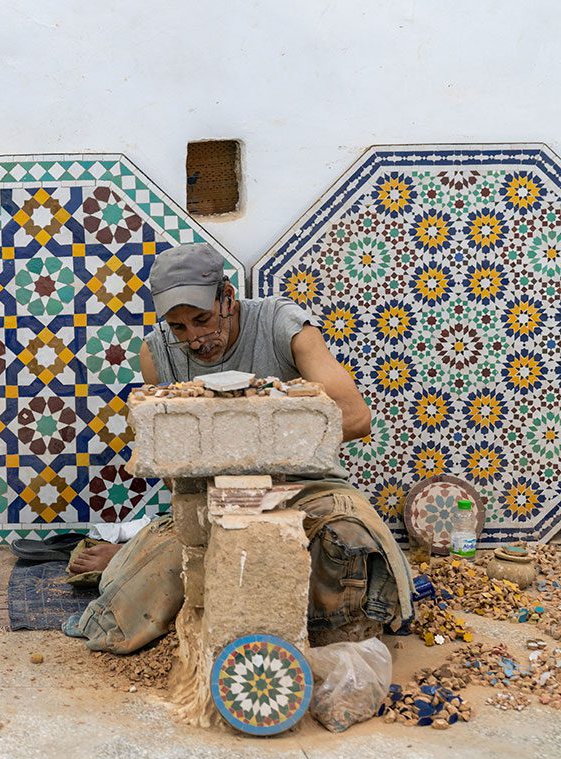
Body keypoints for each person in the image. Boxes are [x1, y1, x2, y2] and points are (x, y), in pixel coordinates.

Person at [66, 243, 413, 654]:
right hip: (212, 496)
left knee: (351, 547)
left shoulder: (283, 324)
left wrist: (252, 441)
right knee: (150, 579)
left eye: (202, 320)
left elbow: (356, 417)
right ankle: (133, 553)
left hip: (306, 487)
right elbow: (175, 461)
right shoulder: (157, 353)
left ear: (227, 297)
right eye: (179, 328)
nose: (195, 340)